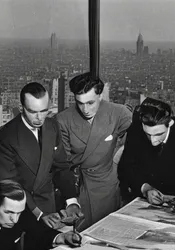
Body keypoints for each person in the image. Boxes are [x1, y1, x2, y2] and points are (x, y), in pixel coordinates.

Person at [0, 82, 80, 228]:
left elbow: (61, 166)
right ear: (21, 108)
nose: (39, 118)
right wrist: (38, 213)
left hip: (48, 204)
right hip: (19, 209)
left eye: (44, 110)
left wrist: (71, 201)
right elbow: (11, 185)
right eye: (33, 112)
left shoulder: (52, 126)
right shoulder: (5, 138)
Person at [56, 72, 132, 230]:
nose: (85, 109)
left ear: (101, 95)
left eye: (90, 103)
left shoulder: (119, 113)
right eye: (80, 103)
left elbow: (136, 142)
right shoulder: (63, 119)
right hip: (79, 185)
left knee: (108, 231)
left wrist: (119, 160)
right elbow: (63, 162)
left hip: (108, 184)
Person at [118, 98, 175, 205]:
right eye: (148, 134)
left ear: (170, 123)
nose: (153, 141)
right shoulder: (136, 130)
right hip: (146, 201)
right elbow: (127, 166)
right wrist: (145, 189)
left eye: (159, 134)